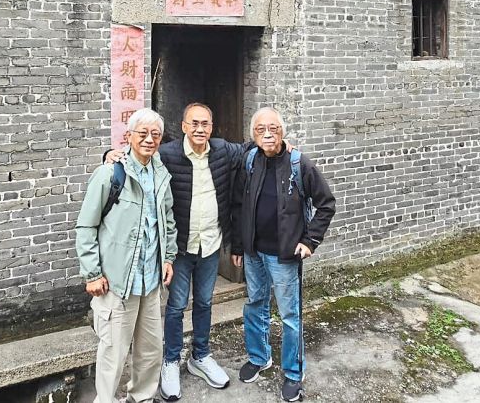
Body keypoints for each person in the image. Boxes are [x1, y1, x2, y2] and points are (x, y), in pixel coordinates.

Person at [230, 107, 335, 403]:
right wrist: (238, 246)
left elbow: (326, 203)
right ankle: (259, 357)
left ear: (283, 132)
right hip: (254, 252)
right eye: (261, 129)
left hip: (284, 256)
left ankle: (292, 373)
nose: (268, 133)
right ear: (253, 135)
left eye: (274, 128)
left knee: (290, 315)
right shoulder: (250, 160)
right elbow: (239, 205)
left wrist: (310, 240)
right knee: (255, 304)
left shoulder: (299, 163)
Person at [76, 108, 176, 403]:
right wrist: (92, 273)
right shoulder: (110, 173)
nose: (149, 139)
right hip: (118, 280)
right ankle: (105, 400)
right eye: (142, 133)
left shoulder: (160, 173)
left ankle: (142, 397)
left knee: (150, 348)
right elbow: (86, 225)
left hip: (151, 279)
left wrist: (168, 257)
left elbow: (167, 219)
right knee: (113, 350)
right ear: (128, 136)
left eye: (155, 134)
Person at [157, 103, 238, 399]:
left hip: (210, 245)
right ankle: (171, 360)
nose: (200, 128)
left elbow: (251, 149)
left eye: (205, 123)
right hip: (180, 248)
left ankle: (200, 356)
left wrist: (280, 143)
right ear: (183, 126)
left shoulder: (222, 151)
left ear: (212, 127)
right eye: (194, 123)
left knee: (204, 302)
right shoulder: (167, 155)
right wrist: (108, 155)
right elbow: (136, 158)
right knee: (177, 307)